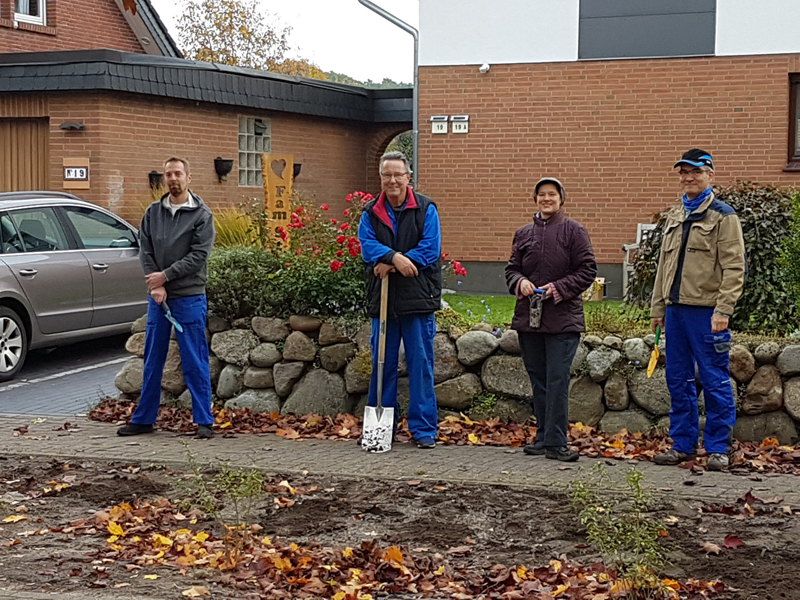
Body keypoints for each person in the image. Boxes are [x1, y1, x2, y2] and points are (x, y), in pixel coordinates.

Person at [651, 149, 746, 471]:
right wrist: (657, 308)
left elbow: (734, 268)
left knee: (715, 379)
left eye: (696, 171)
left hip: (707, 314)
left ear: (710, 175)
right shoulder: (675, 215)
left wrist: (724, 310)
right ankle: (683, 445)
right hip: (675, 312)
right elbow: (663, 266)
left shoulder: (723, 215)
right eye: (684, 172)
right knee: (678, 380)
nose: (689, 177)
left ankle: (718, 447)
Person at [117, 157, 216, 439]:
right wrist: (155, 283)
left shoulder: (202, 215)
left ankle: (204, 421)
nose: (173, 179)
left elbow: (198, 256)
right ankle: (144, 419)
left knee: (194, 360)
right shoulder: (152, 212)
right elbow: (145, 249)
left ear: (188, 177)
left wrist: (166, 277)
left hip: (188, 298)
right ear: (164, 178)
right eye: (168, 174)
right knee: (152, 359)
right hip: (158, 298)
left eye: (178, 174)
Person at [505, 178, 597, 462]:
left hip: (563, 320)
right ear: (535, 200)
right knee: (539, 379)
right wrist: (519, 282)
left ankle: (557, 442)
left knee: (557, 379)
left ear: (561, 199)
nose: (547, 199)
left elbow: (587, 270)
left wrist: (558, 288)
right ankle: (543, 437)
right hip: (529, 320)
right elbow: (512, 269)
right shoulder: (523, 234)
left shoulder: (574, 231)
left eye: (552, 195)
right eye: (542, 195)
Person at [358, 151, 441, 448]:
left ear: (409, 177)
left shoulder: (426, 208)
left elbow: (430, 250)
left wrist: (392, 263)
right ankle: (381, 431)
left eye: (398, 174)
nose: (392, 180)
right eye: (386, 175)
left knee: (421, 365)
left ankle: (423, 430)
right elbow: (367, 247)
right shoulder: (370, 212)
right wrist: (395, 257)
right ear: (381, 178)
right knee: (382, 364)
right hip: (382, 301)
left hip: (418, 300)